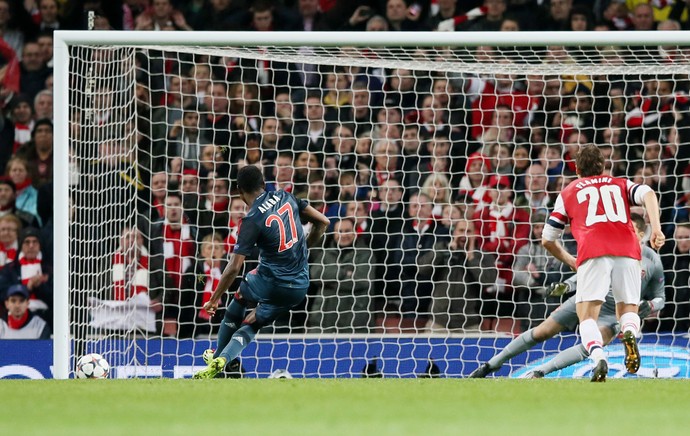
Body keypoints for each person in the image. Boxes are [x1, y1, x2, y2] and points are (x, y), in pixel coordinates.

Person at [470, 213, 665, 378]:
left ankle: (539, 372)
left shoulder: (651, 260)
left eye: (628, 229)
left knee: (592, 343)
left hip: (615, 312)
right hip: (586, 298)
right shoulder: (609, 248)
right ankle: (491, 364)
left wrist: (651, 305)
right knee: (542, 331)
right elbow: (587, 270)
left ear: (640, 234)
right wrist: (567, 285)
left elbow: (661, 297)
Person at [540, 145, 664, 382]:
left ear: (576, 169)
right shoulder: (620, 184)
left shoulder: (568, 192)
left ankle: (599, 358)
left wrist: (570, 260)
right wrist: (656, 228)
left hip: (593, 252)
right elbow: (648, 192)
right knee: (628, 309)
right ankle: (629, 332)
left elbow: (547, 239)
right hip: (629, 251)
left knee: (586, 316)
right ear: (604, 166)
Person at [193, 165, 329, 379]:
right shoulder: (286, 196)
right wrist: (304, 248)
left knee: (240, 297)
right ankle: (223, 360)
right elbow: (323, 221)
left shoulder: (251, 220)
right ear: (264, 185)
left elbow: (233, 268)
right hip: (299, 287)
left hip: (269, 281)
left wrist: (214, 299)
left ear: (239, 191)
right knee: (253, 322)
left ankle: (218, 354)